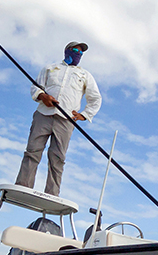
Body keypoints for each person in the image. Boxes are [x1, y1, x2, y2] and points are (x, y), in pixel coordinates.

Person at [15, 41, 102, 196]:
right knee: (32, 151)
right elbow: (36, 87)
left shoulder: (85, 75)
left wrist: (85, 114)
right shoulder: (50, 68)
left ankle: (52, 193)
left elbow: (95, 98)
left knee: (58, 157)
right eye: (75, 50)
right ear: (67, 51)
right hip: (43, 114)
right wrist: (42, 96)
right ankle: (23, 186)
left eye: (81, 53)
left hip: (66, 120)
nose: (78, 54)